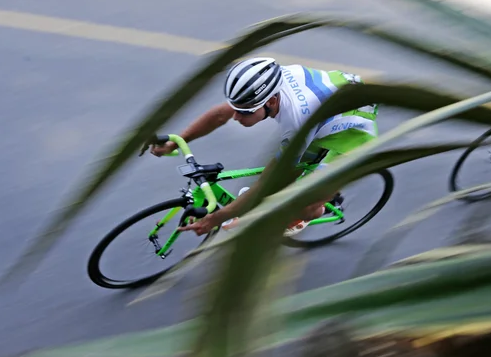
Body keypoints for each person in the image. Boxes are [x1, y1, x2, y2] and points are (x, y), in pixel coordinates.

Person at [150, 56, 379, 236]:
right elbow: (221, 115)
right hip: (328, 112)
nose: (237, 118)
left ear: (270, 101)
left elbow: (268, 181)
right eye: (237, 108)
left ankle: (321, 205)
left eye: (245, 112)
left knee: (303, 201)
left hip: (352, 135)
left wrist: (217, 218)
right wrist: (175, 142)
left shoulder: (297, 119)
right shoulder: (265, 83)